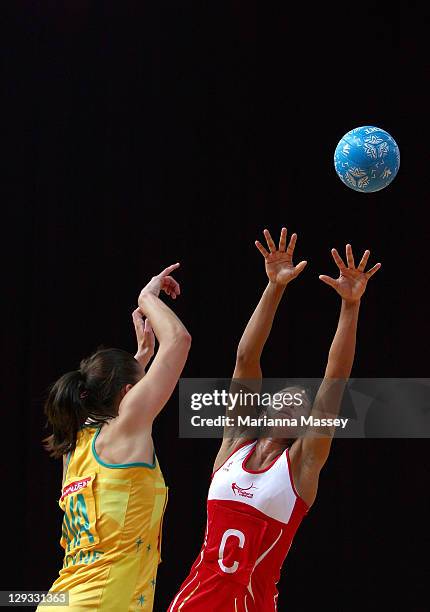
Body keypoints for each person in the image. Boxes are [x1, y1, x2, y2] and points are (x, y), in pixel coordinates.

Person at [168, 228, 380, 611]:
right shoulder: (232, 446)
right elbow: (245, 359)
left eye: (300, 404)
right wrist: (274, 287)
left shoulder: (300, 465)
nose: (289, 404)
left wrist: (350, 306)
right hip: (191, 602)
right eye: (282, 398)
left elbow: (335, 378)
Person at [39, 264, 191, 612]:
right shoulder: (126, 426)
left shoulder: (74, 445)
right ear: (128, 393)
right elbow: (179, 341)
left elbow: (108, 396)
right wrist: (146, 297)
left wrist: (139, 359)